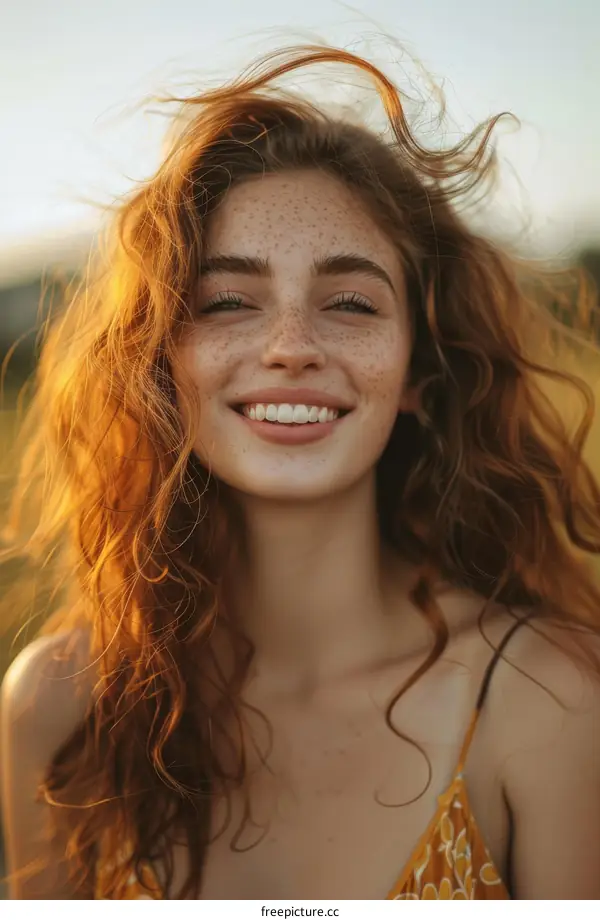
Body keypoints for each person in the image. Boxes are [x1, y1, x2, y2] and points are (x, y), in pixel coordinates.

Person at [1, 41, 600, 901]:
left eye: (350, 303)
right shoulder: (62, 708)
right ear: (160, 364)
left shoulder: (546, 699)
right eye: (227, 303)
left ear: (421, 372)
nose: (290, 348)